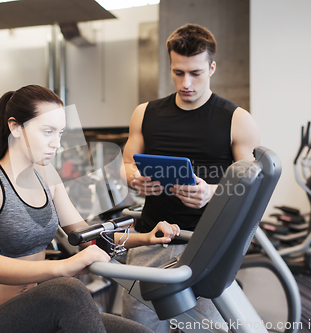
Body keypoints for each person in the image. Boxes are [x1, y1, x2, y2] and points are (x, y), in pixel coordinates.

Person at [0, 85, 181, 333]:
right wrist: (65, 267)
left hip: (36, 314)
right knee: (66, 289)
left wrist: (146, 238)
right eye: (47, 131)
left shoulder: (47, 175)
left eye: (59, 133)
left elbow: (88, 236)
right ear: (15, 127)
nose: (56, 144)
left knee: (138, 332)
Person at [120, 24, 260, 332]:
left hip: (206, 244)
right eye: (178, 72)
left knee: (208, 327)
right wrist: (133, 178)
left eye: (195, 73)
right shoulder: (145, 113)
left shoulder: (237, 120)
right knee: (137, 326)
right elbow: (128, 163)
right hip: (151, 237)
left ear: (212, 67)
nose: (186, 82)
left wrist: (213, 192)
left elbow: (251, 189)